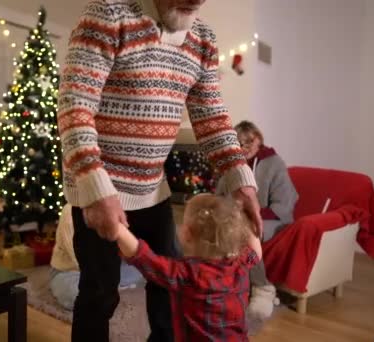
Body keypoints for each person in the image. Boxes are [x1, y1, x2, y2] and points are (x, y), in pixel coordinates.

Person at [57, 0, 263, 340]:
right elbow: (74, 106)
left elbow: (212, 117)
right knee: (99, 293)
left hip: (153, 188)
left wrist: (241, 179)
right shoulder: (107, 14)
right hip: (99, 189)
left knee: (168, 290)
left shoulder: (204, 39)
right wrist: (95, 188)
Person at [116, 194, 262, 341]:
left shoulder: (185, 274)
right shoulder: (241, 265)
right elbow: (256, 252)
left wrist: (118, 228)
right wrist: (245, 213)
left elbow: (143, 257)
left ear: (186, 234)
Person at [216, 120, 298, 320]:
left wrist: (254, 215)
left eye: (248, 143)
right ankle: (224, 285)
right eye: (239, 144)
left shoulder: (274, 163)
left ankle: (263, 288)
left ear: (258, 140)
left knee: (246, 231)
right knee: (218, 227)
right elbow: (219, 196)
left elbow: (284, 204)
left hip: (274, 219)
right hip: (239, 217)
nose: (243, 148)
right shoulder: (233, 164)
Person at [49, 204, 144, 310]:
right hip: (70, 271)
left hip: (107, 267)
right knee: (74, 294)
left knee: (138, 270)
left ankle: (110, 288)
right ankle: (111, 289)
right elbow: (78, 258)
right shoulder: (71, 211)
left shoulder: (115, 206)